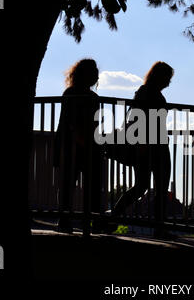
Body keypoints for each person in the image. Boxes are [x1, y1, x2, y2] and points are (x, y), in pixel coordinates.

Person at [111, 61, 173, 234]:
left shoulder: (146, 92)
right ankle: (158, 228)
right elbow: (140, 118)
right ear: (160, 77)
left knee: (145, 186)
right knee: (149, 186)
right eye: (167, 77)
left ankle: (114, 216)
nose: (169, 82)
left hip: (154, 145)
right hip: (151, 146)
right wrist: (143, 143)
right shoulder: (147, 92)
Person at [54, 58, 103, 233]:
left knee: (79, 183)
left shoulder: (79, 94)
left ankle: (82, 220)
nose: (96, 76)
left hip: (82, 145)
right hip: (75, 145)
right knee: (75, 183)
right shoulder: (75, 94)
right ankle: (73, 220)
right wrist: (82, 138)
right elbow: (71, 121)